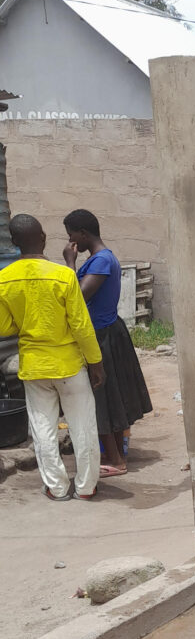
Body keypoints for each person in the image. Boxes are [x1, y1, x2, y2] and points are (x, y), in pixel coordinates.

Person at [0, 214, 104, 500]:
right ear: (44, 238)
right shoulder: (63, 276)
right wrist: (96, 363)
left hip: (34, 366)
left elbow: (4, 326)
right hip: (69, 365)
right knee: (83, 425)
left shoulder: (4, 280)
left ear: (14, 242)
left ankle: (56, 488)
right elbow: (81, 326)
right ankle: (85, 487)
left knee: (43, 428)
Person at [62, 209, 152, 476]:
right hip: (105, 331)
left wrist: (70, 263)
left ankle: (115, 460)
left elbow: (77, 297)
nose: (70, 242)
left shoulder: (101, 261)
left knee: (100, 398)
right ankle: (115, 453)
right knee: (108, 395)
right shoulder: (101, 259)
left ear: (83, 234)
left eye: (71, 236)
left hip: (101, 335)